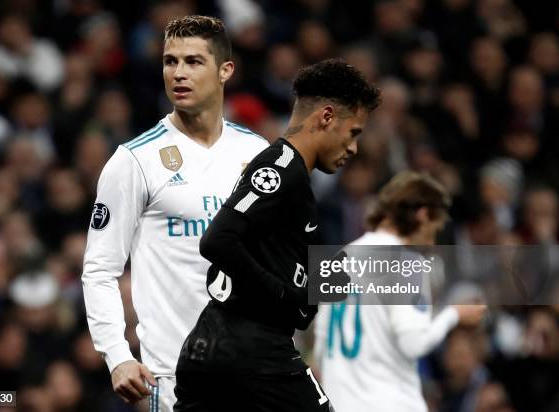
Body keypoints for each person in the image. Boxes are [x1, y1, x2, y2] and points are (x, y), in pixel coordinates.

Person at [81, 15, 268, 410]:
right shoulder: (134, 160)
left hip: (253, 373)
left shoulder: (257, 154)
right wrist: (117, 355)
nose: (178, 73)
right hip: (174, 378)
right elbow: (99, 269)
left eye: (194, 61)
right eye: (170, 61)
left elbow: (277, 259)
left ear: (225, 70)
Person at [174, 59, 381, 411]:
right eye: (354, 133)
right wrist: (285, 294)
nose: (354, 148)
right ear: (326, 117)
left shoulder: (298, 184)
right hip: (252, 349)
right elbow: (218, 240)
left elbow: (291, 283)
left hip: (214, 346)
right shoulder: (279, 168)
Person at [313, 171, 487, 412]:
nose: (432, 241)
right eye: (435, 228)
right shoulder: (405, 263)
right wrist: (454, 314)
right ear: (423, 215)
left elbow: (320, 348)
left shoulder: (338, 259)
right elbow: (413, 342)